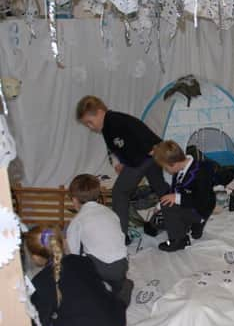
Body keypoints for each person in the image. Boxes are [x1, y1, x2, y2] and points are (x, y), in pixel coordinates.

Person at [26, 226, 126, 326]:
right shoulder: (83, 261)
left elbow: (42, 323)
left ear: (35, 257)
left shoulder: (40, 283)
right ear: (63, 243)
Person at [76, 95, 169, 244]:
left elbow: (138, 135)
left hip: (147, 155)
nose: (90, 127)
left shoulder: (114, 122)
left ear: (100, 112)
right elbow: (125, 145)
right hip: (148, 155)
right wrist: (124, 162)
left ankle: (121, 235)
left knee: (120, 192)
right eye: (87, 125)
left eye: (89, 122)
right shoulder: (109, 125)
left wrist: (150, 153)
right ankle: (174, 219)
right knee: (160, 187)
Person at [67, 174, 133, 305]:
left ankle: (95, 292)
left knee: (76, 263)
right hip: (121, 265)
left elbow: (73, 254)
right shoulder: (111, 213)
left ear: (74, 200)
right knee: (115, 278)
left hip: (101, 269)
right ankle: (121, 286)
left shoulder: (77, 221)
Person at [152, 140, 216, 252]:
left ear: (173, 163)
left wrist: (176, 199)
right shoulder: (179, 169)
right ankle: (190, 225)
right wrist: (160, 203)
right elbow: (174, 190)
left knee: (168, 208)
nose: (166, 171)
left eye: (166, 168)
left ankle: (179, 240)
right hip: (187, 205)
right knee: (156, 221)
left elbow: (202, 201)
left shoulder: (200, 172)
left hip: (199, 209)